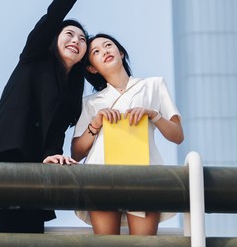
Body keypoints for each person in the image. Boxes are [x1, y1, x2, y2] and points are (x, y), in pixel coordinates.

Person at [0, 0, 97, 233]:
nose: (76, 41)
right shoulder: (33, 58)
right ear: (54, 40)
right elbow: (52, 17)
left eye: (82, 40)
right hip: (3, 158)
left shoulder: (72, 93)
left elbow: (56, 132)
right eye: (69, 34)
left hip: (39, 173)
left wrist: (53, 155)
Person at [71, 33, 184, 235]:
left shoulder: (153, 85)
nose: (105, 51)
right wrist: (96, 123)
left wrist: (153, 115)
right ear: (91, 67)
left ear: (120, 52)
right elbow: (77, 153)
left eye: (108, 45)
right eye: (96, 52)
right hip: (100, 175)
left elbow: (177, 136)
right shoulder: (89, 102)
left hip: (145, 174)